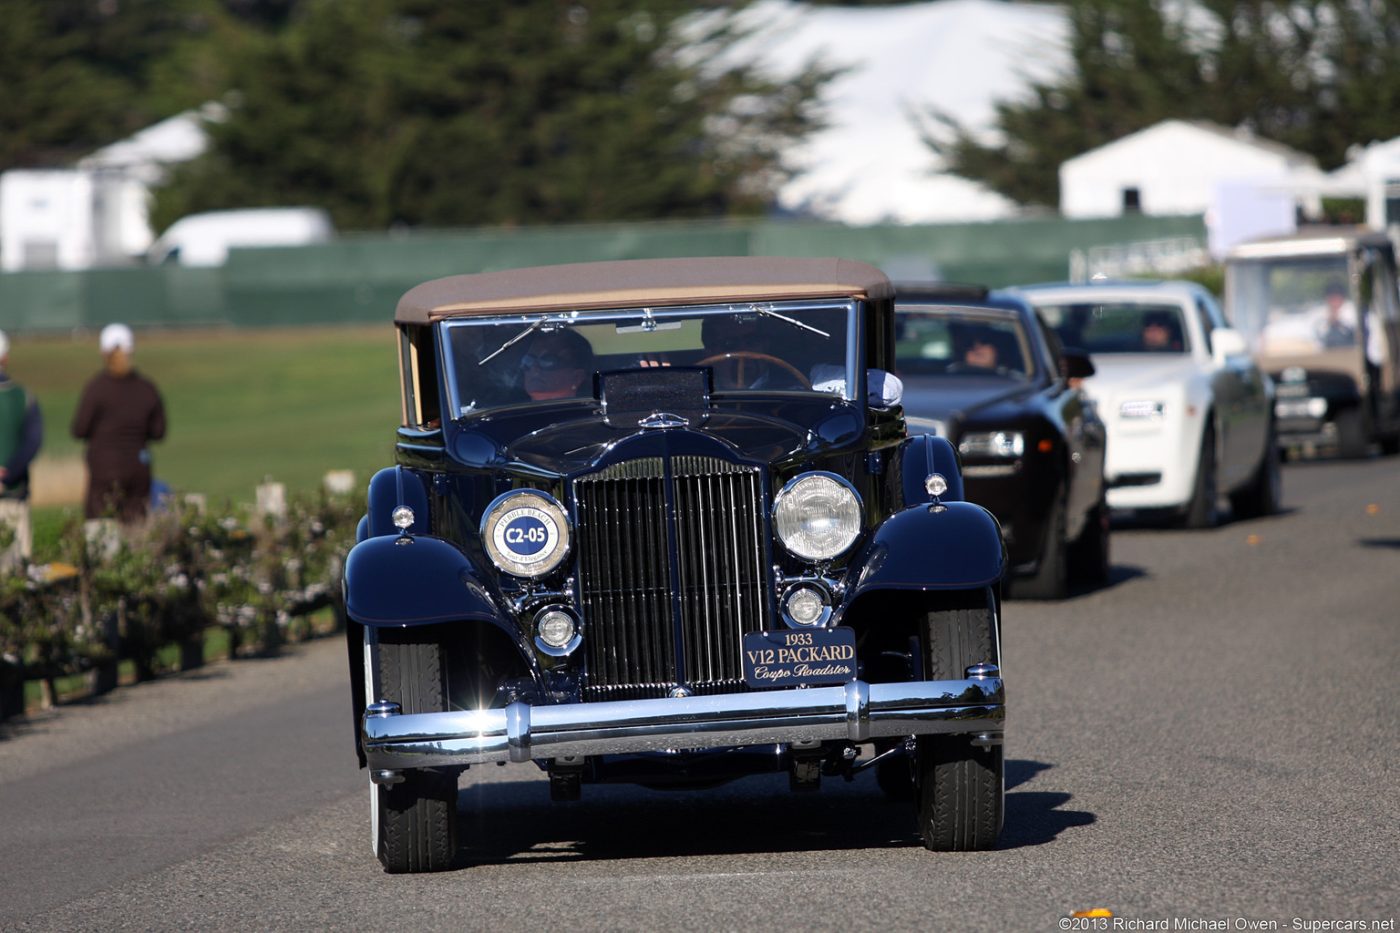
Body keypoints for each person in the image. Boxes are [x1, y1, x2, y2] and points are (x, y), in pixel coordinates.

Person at [71, 324, 167, 524]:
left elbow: (79, 430)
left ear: (104, 352)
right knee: (136, 524)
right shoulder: (146, 388)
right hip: (138, 467)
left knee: (102, 526)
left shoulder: (96, 388)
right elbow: (159, 432)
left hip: (103, 469)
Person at [0, 330, 43, 572]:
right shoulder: (23, 397)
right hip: (15, 494)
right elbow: (33, 442)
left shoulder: (22, 396)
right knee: (18, 572)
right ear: (5, 357)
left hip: (13, 493)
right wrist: (8, 474)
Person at [520, 328, 594, 401]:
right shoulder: (510, 410)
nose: (534, 369)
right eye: (528, 360)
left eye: (548, 361)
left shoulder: (595, 412)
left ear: (577, 377)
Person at [1317, 280, 1357, 348]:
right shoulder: (1319, 313)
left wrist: (1340, 322)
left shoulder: (1352, 311)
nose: (1334, 301)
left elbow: (1355, 331)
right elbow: (1317, 337)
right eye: (1331, 297)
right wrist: (1329, 323)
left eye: (1337, 297)